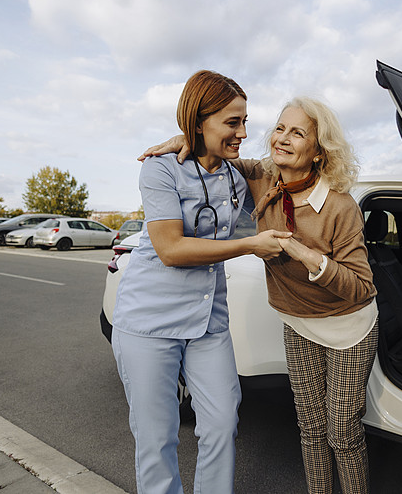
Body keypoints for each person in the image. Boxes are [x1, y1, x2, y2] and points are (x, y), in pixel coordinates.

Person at [142, 97, 378, 494]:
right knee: (310, 426)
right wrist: (184, 138)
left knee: (342, 432)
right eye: (280, 128)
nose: (281, 139)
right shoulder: (262, 177)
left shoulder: (340, 206)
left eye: (297, 133)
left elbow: (362, 286)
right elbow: (216, 153)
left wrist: (304, 254)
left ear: (319, 153)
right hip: (297, 322)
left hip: (347, 329)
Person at [113, 70, 290, 494]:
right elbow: (171, 248)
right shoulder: (160, 170)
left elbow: (294, 163)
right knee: (157, 439)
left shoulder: (234, 176)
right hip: (149, 323)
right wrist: (250, 247)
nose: (243, 133)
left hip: (208, 323)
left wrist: (194, 138)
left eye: (245, 121)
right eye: (233, 123)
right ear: (198, 121)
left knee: (222, 423)